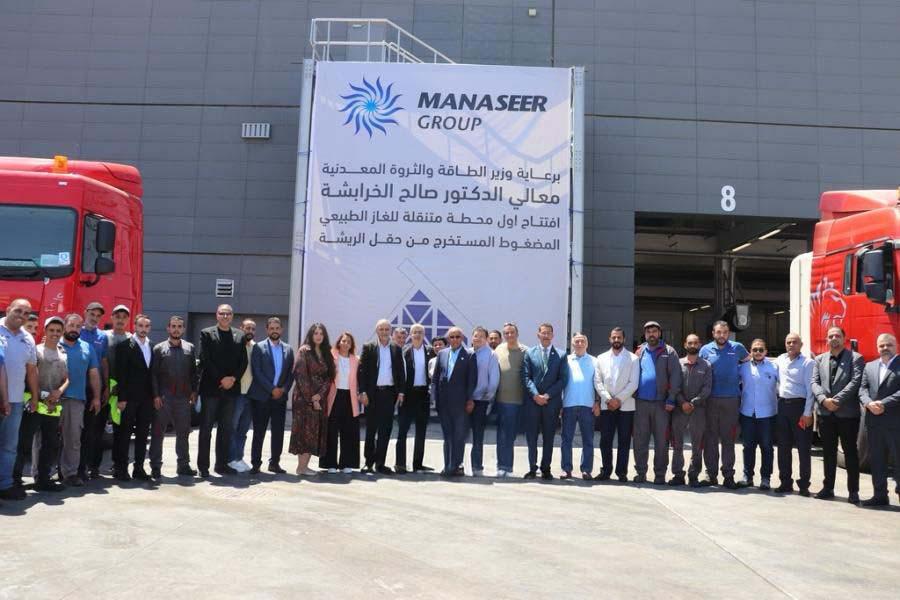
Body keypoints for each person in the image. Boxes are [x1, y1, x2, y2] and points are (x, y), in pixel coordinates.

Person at [811, 326, 864, 503]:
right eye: (831, 336)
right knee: (828, 453)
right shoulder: (819, 359)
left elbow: (855, 381)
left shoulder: (856, 358)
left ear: (844, 338)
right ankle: (828, 488)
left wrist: (837, 401)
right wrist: (823, 400)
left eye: (837, 335)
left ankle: (853, 492)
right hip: (825, 414)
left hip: (847, 415)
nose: (834, 338)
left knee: (850, 453)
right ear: (827, 339)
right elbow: (814, 382)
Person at [197, 304, 247, 478]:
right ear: (216, 315)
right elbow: (205, 359)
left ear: (232, 316)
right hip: (211, 389)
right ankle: (203, 467)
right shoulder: (206, 333)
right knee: (206, 429)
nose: (225, 316)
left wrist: (232, 379)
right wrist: (221, 379)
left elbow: (243, 362)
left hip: (231, 389)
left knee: (226, 429)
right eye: (222, 313)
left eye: (228, 313)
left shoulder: (240, 335)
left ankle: (221, 465)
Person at [699, 320, 749, 489]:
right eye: (719, 332)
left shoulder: (738, 348)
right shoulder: (705, 350)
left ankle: (728, 476)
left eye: (725, 332)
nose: (722, 335)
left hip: (731, 400)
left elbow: (749, 364)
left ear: (729, 333)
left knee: (728, 439)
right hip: (710, 400)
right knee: (710, 438)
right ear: (713, 333)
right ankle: (711, 475)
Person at [633, 321, 682, 485]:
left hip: (662, 404)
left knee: (661, 441)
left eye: (654, 331)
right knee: (640, 440)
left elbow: (675, 376)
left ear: (659, 333)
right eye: (648, 332)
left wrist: (671, 398)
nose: (651, 334)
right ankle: (641, 472)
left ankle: (660, 475)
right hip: (641, 403)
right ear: (645, 334)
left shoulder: (669, 351)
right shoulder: (640, 351)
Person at [0, 299, 39, 501]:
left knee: (9, 446)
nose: (22, 316)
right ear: (8, 310)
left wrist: (35, 396)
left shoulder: (28, 338)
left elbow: (31, 371)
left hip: (15, 400)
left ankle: (5, 485)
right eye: (18, 311)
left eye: (26, 313)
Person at [150, 316, 199, 478]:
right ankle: (155, 466)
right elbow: (153, 375)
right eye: (173, 326)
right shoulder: (159, 349)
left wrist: (194, 391)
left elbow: (194, 373)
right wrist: (156, 395)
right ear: (168, 328)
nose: (176, 329)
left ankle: (183, 465)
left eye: (179, 326)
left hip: (183, 398)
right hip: (164, 398)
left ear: (183, 329)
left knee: (183, 433)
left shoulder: (190, 348)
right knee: (158, 433)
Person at [247, 317, 295, 475]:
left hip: (280, 398)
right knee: (259, 432)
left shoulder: (288, 349)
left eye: (277, 328)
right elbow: (257, 372)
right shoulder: (259, 347)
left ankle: (274, 463)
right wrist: (271, 389)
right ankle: (256, 464)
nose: (275, 331)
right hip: (261, 397)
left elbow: (291, 374)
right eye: (272, 328)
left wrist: (283, 390)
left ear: (281, 330)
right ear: (267, 330)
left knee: (278, 432)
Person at [58, 314, 101, 488]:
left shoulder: (87, 347)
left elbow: (94, 373)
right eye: (71, 325)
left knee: (73, 440)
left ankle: (70, 474)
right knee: (45, 439)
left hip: (76, 399)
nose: (74, 329)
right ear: (65, 326)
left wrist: (96, 397)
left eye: (78, 326)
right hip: (52, 399)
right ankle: (41, 475)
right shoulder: (54, 343)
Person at [522, 322, 568, 480]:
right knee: (532, 437)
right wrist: (536, 395)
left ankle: (546, 468)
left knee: (549, 437)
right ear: (538, 335)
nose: (546, 335)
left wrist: (547, 396)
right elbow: (526, 377)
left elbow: (563, 380)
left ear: (553, 335)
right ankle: (532, 468)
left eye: (549, 333)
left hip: (551, 403)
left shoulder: (561, 355)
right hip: (532, 403)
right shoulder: (529, 353)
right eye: (543, 332)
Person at [359, 319, 405, 474]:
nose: (384, 332)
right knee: (371, 429)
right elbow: (362, 371)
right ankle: (368, 463)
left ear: (390, 331)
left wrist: (401, 392)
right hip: (373, 394)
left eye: (387, 329)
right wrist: (363, 392)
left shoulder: (396, 349)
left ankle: (380, 463)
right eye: (381, 329)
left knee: (385, 430)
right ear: (376, 331)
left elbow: (400, 372)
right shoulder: (369, 347)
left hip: (389, 394)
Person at [859, 333, 900, 507]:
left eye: (888, 345)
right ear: (877, 348)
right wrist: (868, 403)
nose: (885, 348)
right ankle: (880, 495)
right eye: (881, 345)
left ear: (896, 346)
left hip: (895, 423)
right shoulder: (869, 366)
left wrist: (883, 404)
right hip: (874, 422)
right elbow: (862, 389)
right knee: (877, 460)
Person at [112, 314, 155, 481]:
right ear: (135, 326)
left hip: (147, 399)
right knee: (124, 434)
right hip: (128, 398)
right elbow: (120, 374)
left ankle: (139, 468)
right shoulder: (124, 346)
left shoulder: (153, 346)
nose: (143, 329)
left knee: (143, 435)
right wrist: (121, 398)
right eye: (140, 326)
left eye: (146, 326)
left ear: (149, 328)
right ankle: (121, 469)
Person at [593, 327, 639, 482]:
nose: (616, 340)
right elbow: (598, 382)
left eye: (619, 337)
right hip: (607, 406)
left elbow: (633, 383)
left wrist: (618, 400)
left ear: (624, 339)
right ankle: (606, 471)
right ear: (609, 339)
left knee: (624, 440)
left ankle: (621, 472)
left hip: (626, 406)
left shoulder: (633, 358)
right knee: (605, 440)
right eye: (614, 337)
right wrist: (608, 399)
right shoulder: (601, 358)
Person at [289, 323, 335, 476]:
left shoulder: (326, 352)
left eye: (321, 333)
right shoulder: (304, 351)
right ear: (311, 335)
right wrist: (312, 398)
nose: (318, 336)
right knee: (304, 431)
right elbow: (300, 375)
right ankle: (301, 468)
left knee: (314, 432)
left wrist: (320, 395)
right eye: (316, 333)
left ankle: (305, 466)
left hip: (319, 399)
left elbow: (329, 378)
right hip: (304, 399)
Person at [773, 332, 816, 496]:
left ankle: (804, 484)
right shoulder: (780, 360)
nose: (791, 345)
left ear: (801, 345)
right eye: (788, 342)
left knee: (803, 448)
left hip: (800, 408)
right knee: (783, 447)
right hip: (782, 407)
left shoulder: (808, 363)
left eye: (794, 342)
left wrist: (807, 413)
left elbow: (810, 390)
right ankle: (785, 482)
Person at [432, 326, 477, 476]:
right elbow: (435, 379)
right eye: (452, 337)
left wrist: (470, 400)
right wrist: (434, 399)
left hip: (461, 403)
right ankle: (448, 465)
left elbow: (472, 380)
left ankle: (457, 465)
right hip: (444, 403)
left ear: (462, 338)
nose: (455, 339)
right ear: (448, 339)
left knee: (459, 436)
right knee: (447, 436)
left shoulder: (469, 355)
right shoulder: (442, 354)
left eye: (458, 337)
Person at [30, 317, 68, 491]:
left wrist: (59, 392)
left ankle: (44, 479)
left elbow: (67, 379)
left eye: (58, 331)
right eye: (51, 330)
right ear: (45, 331)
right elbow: (31, 376)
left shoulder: (63, 354)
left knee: (50, 443)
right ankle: (17, 481)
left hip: (53, 405)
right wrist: (41, 396)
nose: (55, 333)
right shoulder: (36, 351)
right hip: (36, 403)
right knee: (28, 443)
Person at [738, 339, 779, 490]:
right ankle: (747, 477)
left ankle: (765, 478)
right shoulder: (743, 368)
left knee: (767, 447)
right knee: (748, 446)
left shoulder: (774, 367)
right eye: (755, 349)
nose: (758, 352)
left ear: (766, 351)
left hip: (767, 414)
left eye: (761, 349)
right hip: (747, 413)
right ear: (750, 351)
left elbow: (784, 385)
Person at [672, 334, 711, 487]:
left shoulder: (706, 365)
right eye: (690, 343)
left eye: (695, 343)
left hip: (698, 409)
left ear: (699, 345)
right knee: (677, 444)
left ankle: (693, 475)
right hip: (679, 409)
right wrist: (682, 402)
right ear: (685, 344)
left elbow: (707, 388)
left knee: (697, 445)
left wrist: (693, 403)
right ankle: (678, 475)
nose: (693, 345)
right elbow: (674, 386)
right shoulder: (678, 363)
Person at [396, 324, 435, 473]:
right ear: (410, 335)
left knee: (421, 432)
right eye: (414, 332)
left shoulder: (430, 352)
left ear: (424, 335)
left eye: (420, 332)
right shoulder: (403, 351)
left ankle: (418, 464)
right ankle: (400, 464)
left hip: (423, 395)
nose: (417, 335)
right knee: (402, 431)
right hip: (407, 395)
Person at [322, 331, 361, 474]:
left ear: (352, 345)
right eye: (343, 341)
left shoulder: (356, 360)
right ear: (339, 342)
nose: (346, 344)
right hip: (334, 396)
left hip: (350, 397)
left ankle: (346, 463)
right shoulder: (331, 356)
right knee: (331, 431)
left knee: (348, 431)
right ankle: (330, 463)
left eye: (349, 342)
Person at [79, 301, 110, 480]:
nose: (95, 318)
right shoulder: (77, 331)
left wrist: (106, 387)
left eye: (98, 316)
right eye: (92, 314)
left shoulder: (102, 337)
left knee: (92, 431)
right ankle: (68, 468)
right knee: (74, 432)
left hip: (95, 390)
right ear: (85, 313)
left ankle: (89, 468)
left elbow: (104, 362)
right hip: (76, 388)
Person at [560, 333, 595, 480]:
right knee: (566, 439)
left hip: (588, 405)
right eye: (577, 341)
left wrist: (597, 402)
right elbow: (561, 382)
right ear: (572, 344)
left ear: (587, 344)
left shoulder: (594, 361)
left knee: (588, 440)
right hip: (568, 405)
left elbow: (598, 383)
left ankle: (586, 469)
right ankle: (566, 469)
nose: (580, 344)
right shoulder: (566, 360)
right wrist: (560, 404)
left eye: (582, 341)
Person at [494, 323, 527, 478]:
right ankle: (502, 466)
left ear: (517, 334)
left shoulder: (525, 351)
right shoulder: (498, 349)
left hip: (516, 401)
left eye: (512, 332)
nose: (509, 335)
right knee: (501, 435)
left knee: (510, 435)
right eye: (506, 333)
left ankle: (508, 466)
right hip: (499, 400)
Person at [467, 326, 499, 477]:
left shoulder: (491, 355)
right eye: (475, 336)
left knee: (477, 436)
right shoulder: (466, 353)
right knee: (459, 434)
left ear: (486, 339)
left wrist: (487, 398)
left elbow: (494, 380)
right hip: (465, 400)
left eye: (481, 336)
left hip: (480, 401)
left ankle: (477, 467)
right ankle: (457, 464)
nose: (478, 338)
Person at [106, 304, 132, 475]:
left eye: (124, 317)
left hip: (122, 393)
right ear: (112, 318)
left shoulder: (132, 339)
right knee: (95, 430)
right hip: (103, 390)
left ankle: (119, 466)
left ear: (128, 320)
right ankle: (92, 467)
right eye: (117, 316)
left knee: (121, 431)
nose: (120, 320)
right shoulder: (103, 337)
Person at [228, 318, 256, 474]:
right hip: (237, 394)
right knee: (232, 428)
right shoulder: (235, 345)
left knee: (243, 430)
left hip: (250, 395)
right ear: (241, 328)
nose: (250, 331)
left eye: (252, 329)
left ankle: (239, 457)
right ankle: (231, 459)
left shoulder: (255, 347)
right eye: (247, 328)